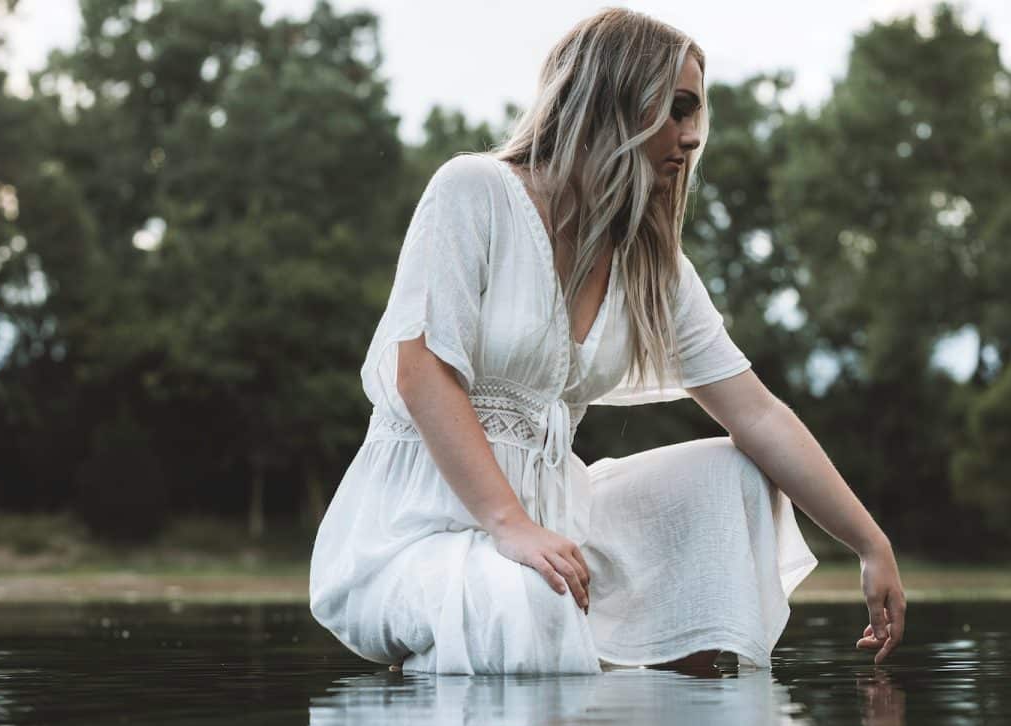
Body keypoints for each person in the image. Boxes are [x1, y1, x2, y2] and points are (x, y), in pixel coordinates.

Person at [309, 7, 907, 674]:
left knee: (735, 476)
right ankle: (477, 664)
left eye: (695, 115)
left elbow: (757, 414)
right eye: (676, 110)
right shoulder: (472, 191)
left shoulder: (652, 266)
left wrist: (869, 543)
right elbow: (421, 374)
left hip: (554, 529)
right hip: (416, 534)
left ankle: (677, 715)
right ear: (611, 100)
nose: (690, 138)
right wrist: (509, 525)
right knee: (527, 598)